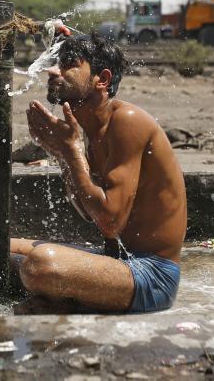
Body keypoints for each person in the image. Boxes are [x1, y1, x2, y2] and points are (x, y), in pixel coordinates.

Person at [13, 34, 187, 313]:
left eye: (69, 64)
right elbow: (87, 210)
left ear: (102, 79)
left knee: (40, 264)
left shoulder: (126, 122)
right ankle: (65, 300)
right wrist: (62, 155)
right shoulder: (91, 132)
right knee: (1, 249)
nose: (53, 70)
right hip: (118, 260)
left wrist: (70, 151)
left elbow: (109, 223)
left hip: (152, 276)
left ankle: (63, 302)